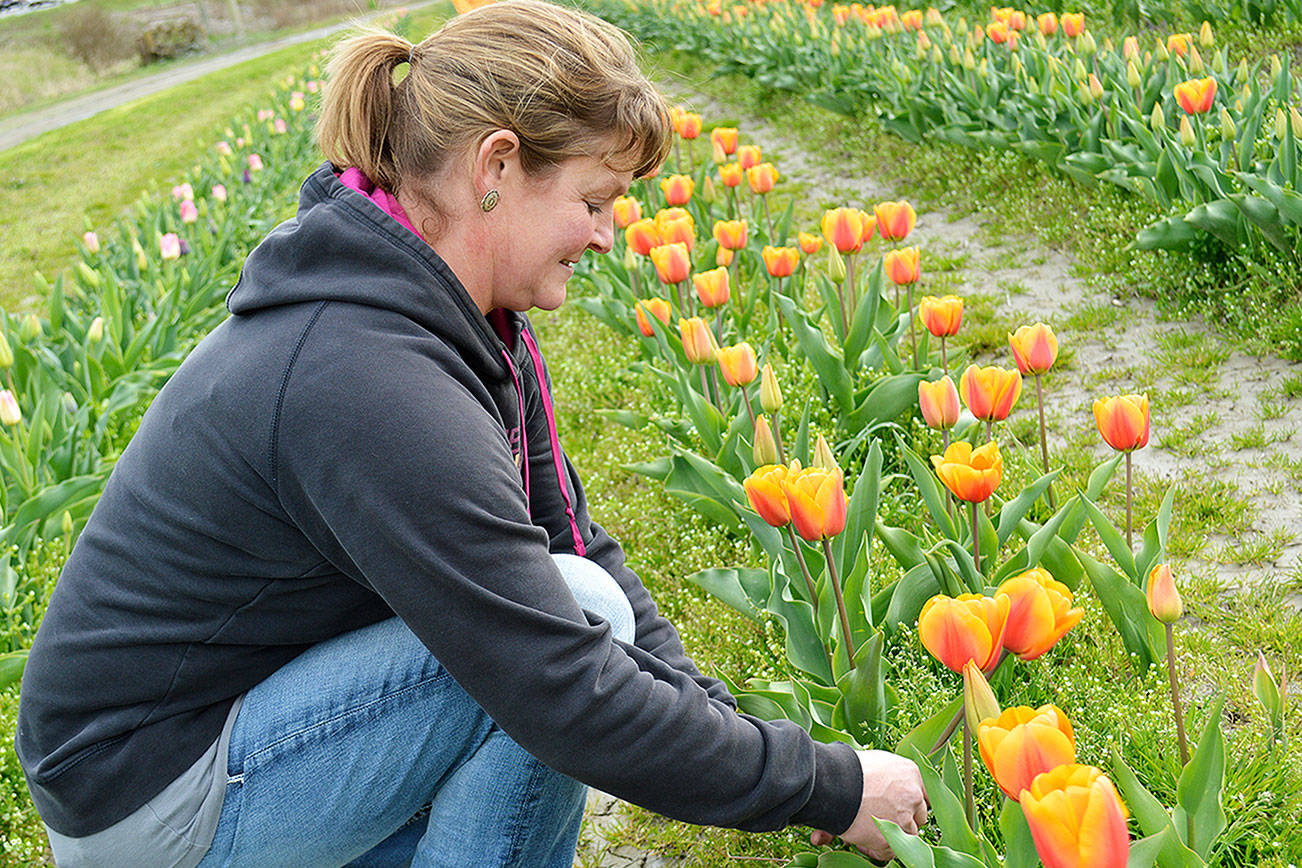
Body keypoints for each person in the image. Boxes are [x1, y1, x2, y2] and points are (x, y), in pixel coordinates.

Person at [15, 2, 928, 866]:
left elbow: (573, 542)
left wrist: (741, 729)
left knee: (574, 600)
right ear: (495, 168)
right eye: (595, 200)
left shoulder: (461, 319)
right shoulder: (364, 375)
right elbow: (559, 684)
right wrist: (830, 789)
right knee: (560, 640)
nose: (610, 236)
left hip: (246, 728)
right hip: (150, 803)